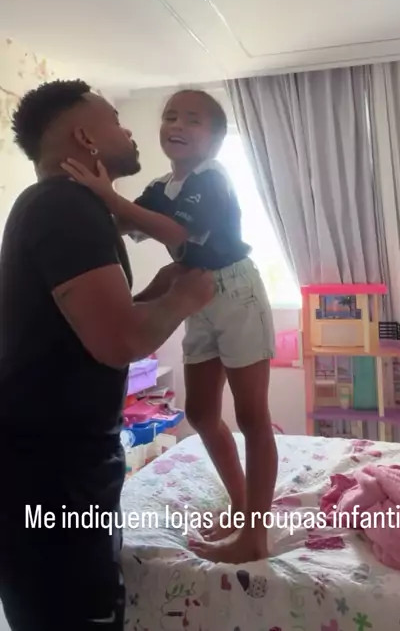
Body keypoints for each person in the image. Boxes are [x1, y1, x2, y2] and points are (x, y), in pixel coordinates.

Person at [0, 80, 214, 631]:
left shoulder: (62, 207)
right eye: (116, 120)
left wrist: (156, 294)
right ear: (84, 137)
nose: (130, 131)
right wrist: (184, 299)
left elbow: (85, 327)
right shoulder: (64, 207)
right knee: (75, 613)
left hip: (56, 464)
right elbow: (118, 341)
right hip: (52, 475)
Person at [62, 89, 278, 565]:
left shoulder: (211, 178)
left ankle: (255, 534)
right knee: (199, 412)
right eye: (171, 116)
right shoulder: (161, 188)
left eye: (193, 120)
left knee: (252, 417)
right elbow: (125, 222)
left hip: (236, 291)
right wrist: (89, 198)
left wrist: (109, 195)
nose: (177, 125)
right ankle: (241, 504)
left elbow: (177, 232)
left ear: (216, 140)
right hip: (194, 292)